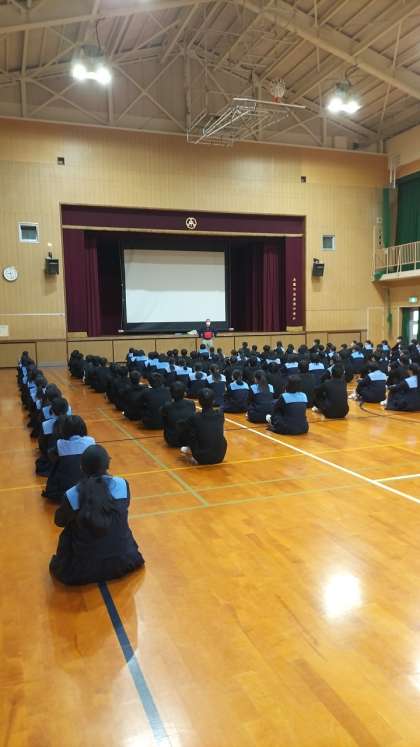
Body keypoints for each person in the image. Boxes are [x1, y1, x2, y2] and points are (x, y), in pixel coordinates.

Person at [50, 445, 144, 585]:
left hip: (85, 569)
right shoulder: (123, 485)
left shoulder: (72, 494)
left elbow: (59, 521)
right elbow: (124, 506)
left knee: (70, 528)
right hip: (124, 560)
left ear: (81, 468)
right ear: (108, 463)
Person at [42, 416, 95, 503]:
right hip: (87, 483)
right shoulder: (90, 441)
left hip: (66, 487)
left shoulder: (60, 443)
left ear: (64, 429)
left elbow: (50, 454)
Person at [180, 388, 227, 465]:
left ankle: (190, 448)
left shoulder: (195, 417)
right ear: (213, 401)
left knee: (189, 430)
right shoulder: (220, 415)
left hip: (202, 458)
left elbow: (184, 429)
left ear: (199, 402)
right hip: (220, 456)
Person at [161, 381, 196, 447]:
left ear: (171, 393)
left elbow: (164, 422)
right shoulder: (191, 403)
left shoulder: (167, 406)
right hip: (188, 440)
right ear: (184, 393)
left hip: (172, 440)